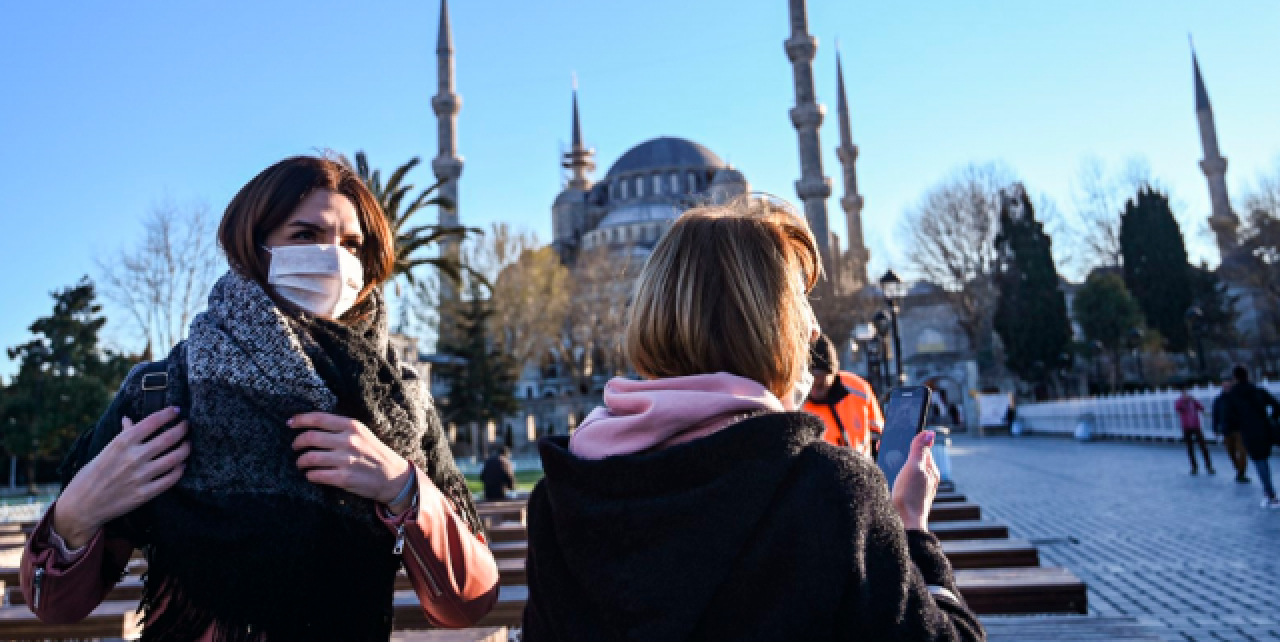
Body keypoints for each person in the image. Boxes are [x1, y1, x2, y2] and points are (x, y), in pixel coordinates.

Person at [20, 156, 499, 640]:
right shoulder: (165, 393)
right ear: (254, 246)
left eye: (352, 244)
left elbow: (469, 604)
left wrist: (403, 489)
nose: (335, 258)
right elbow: (55, 606)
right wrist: (76, 515)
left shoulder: (400, 407)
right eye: (305, 235)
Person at [521, 197, 984, 641]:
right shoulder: (829, 492)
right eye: (801, 304)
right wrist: (911, 532)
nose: (816, 330)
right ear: (771, 324)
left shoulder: (563, 499)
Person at [802, 333, 884, 457]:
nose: (814, 389)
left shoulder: (860, 389)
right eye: (811, 381)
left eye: (821, 382)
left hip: (863, 470)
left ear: (834, 374)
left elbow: (879, 434)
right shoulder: (795, 403)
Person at [1223, 365, 1280, 508]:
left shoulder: (1232, 396)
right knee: (1265, 460)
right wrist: (1271, 419)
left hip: (1248, 431)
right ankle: (1270, 493)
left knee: (1260, 462)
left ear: (1235, 378)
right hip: (1264, 429)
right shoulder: (1258, 391)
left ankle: (1270, 494)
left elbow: (1229, 417)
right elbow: (1276, 405)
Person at [1212, 379, 1250, 483]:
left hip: (1239, 429)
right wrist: (1215, 428)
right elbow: (1215, 415)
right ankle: (1239, 470)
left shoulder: (1238, 398)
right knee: (1231, 453)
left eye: (1228, 385)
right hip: (1226, 430)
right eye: (1225, 385)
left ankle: (1242, 473)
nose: (1226, 387)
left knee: (1242, 452)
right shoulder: (1219, 400)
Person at [1174, 389, 1214, 476]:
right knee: (1190, 447)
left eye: (1187, 393)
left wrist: (1195, 401)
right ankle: (1194, 467)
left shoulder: (1193, 401)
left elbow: (1201, 408)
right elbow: (1177, 409)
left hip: (1196, 426)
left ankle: (1209, 466)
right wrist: (1184, 403)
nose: (1186, 395)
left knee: (1203, 446)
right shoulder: (1179, 402)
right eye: (1184, 394)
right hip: (1186, 427)